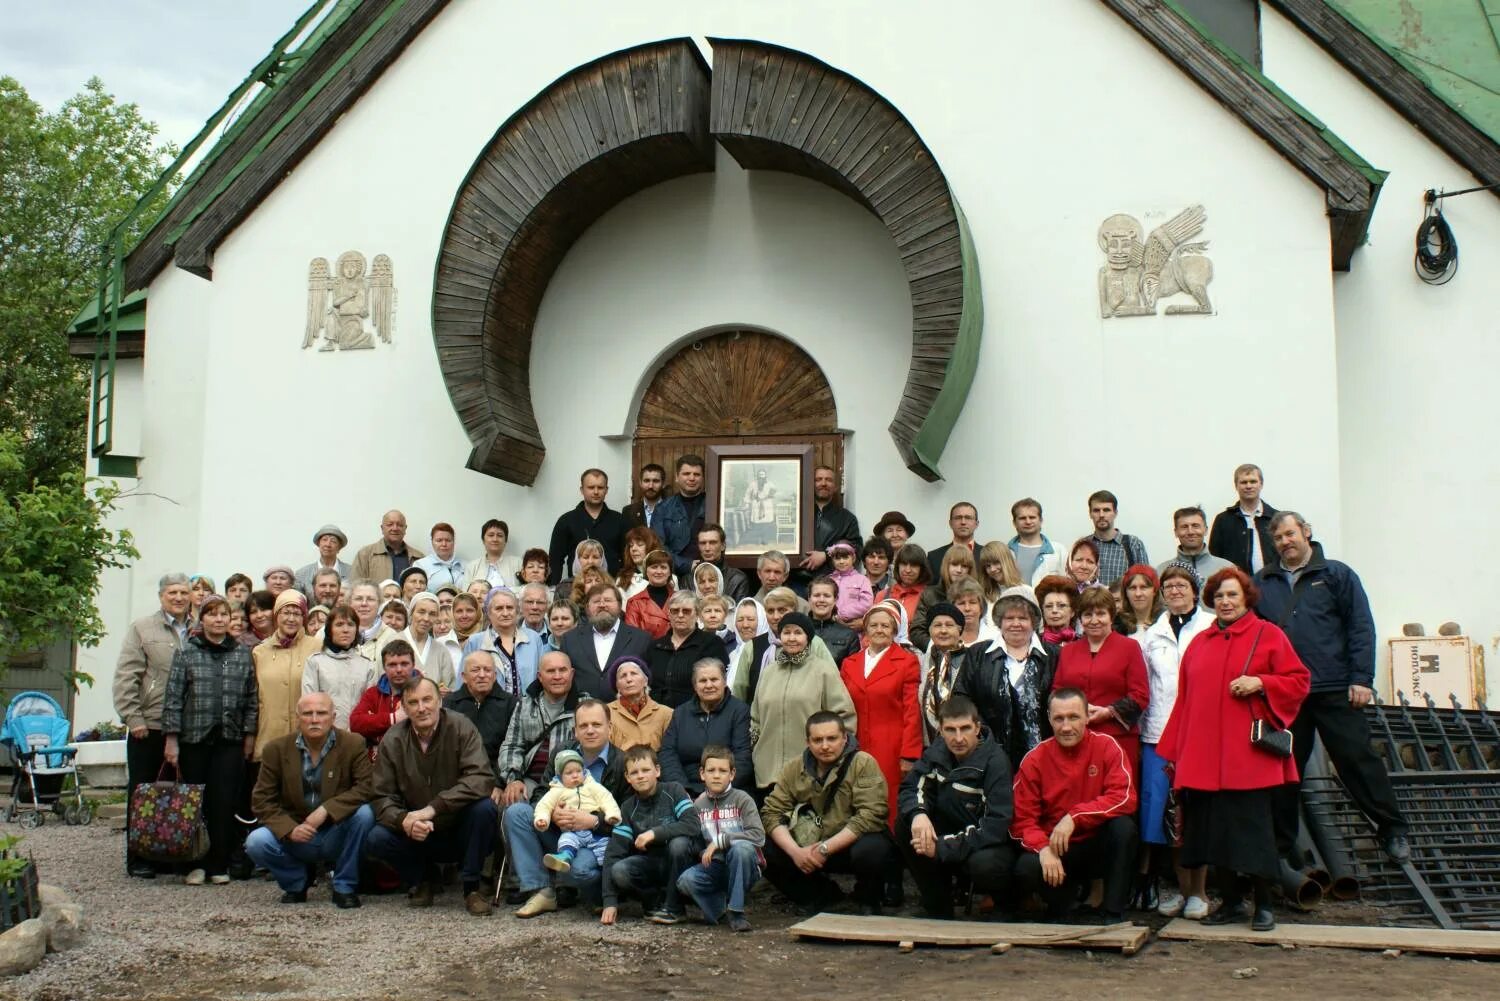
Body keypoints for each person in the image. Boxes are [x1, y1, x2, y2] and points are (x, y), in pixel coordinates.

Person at [1157, 567, 1310, 931]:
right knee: (1215, 835)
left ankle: (1264, 905)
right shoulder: (1199, 643)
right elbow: (1186, 701)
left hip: (1249, 758)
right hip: (1206, 759)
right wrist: (1177, 751)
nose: (1225, 602)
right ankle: (1229, 903)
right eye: (1220, 596)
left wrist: (1261, 682)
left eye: (1232, 595)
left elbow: (1299, 681)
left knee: (1254, 834)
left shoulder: (1268, 635)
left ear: (1246, 598)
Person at [1257, 513, 1409, 862]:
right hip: (1287, 696)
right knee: (1282, 769)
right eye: (1278, 538)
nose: (1285, 542)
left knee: (1358, 760)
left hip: (1335, 687)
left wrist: (1361, 678)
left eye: (1290, 534)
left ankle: (1392, 830)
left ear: (1306, 532)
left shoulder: (1336, 574)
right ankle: (1281, 850)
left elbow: (1360, 626)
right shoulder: (1263, 581)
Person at [365, 678, 498, 915]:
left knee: (485, 809)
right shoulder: (393, 739)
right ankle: (423, 879)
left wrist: (435, 807)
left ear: (440, 700)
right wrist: (403, 819)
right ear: (404, 708)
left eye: (427, 699)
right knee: (377, 836)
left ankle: (471, 888)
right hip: (417, 832)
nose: (421, 707)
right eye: (413, 702)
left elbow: (480, 777)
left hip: (458, 825)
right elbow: (381, 795)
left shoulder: (461, 726)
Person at [1011, 688, 1140, 923]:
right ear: (1049, 718)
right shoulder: (1034, 759)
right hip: (1057, 850)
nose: (1066, 727)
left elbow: (1124, 797)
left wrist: (1074, 816)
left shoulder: (1107, 747)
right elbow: (1022, 820)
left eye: (1074, 717)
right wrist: (1043, 849)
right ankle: (1059, 907)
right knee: (1026, 866)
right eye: (1059, 719)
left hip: (1096, 844)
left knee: (1124, 828)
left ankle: (1112, 913)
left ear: (1086, 717)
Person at [502, 690, 627, 917]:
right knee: (517, 813)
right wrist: (553, 813)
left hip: (596, 840)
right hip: (559, 830)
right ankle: (542, 891)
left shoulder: (622, 763)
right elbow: (541, 792)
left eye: (597, 725)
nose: (590, 730)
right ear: (575, 731)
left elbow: (628, 818)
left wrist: (594, 821)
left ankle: (592, 891)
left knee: (581, 871)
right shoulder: (562, 754)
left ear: (610, 728)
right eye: (584, 725)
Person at [161, 593, 258, 885]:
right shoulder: (187, 652)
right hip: (194, 740)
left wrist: (249, 734)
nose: (218, 619)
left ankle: (218, 864)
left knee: (223, 802)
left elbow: (252, 698)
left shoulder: (241, 654)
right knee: (194, 803)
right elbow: (174, 698)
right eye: (212, 614)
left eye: (224, 614)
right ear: (201, 619)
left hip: (229, 740)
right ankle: (193, 864)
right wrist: (171, 739)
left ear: (231, 620)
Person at [244, 692, 375, 907]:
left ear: (333, 717)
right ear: (298, 717)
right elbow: (262, 800)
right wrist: (289, 829)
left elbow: (366, 787)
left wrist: (327, 810)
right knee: (256, 842)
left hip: (336, 830)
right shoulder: (276, 750)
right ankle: (297, 882)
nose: (314, 719)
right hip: (297, 834)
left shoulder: (353, 744)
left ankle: (344, 886)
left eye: (321, 713)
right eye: (308, 714)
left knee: (365, 814)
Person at [1137, 562, 1214, 919]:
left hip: (1201, 734)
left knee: (1196, 813)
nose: (1176, 591)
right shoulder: (1151, 635)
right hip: (1159, 735)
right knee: (1164, 816)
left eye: (1182, 585)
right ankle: (1180, 890)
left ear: (1195, 590)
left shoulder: (1211, 628)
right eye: (1169, 586)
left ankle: (1200, 891)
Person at [761, 712, 897, 915]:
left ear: (844, 737)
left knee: (873, 849)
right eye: (817, 740)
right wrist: (795, 852)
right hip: (810, 846)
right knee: (760, 846)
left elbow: (870, 815)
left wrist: (825, 848)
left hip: (850, 843)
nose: (825, 746)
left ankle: (868, 898)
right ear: (808, 742)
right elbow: (771, 813)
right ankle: (821, 896)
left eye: (831, 738)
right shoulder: (793, 768)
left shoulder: (863, 763)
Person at [899, 695, 1016, 920]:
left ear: (977, 727)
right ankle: (938, 907)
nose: (958, 738)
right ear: (940, 730)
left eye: (965, 728)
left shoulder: (996, 762)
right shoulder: (936, 752)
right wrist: (918, 815)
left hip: (984, 843)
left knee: (986, 864)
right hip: (948, 832)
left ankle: (1007, 905)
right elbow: (912, 787)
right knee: (906, 825)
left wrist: (942, 847)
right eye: (951, 730)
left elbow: (995, 826)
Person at [113, 572, 191, 878]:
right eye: (172, 592)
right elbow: (126, 676)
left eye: (184, 592)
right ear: (162, 596)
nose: (179, 598)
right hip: (151, 723)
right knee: (144, 792)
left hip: (187, 725)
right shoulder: (143, 628)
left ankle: (170, 851)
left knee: (177, 791)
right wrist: (133, 717)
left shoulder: (197, 628)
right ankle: (140, 856)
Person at [747, 613, 857, 791]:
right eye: (786, 632)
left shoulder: (823, 670)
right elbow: (756, 717)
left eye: (798, 632)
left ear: (808, 637)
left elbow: (844, 716)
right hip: (767, 772)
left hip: (811, 770)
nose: (791, 638)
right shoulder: (768, 672)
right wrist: (756, 749)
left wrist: (832, 756)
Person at [840, 602, 921, 835]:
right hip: (855, 745)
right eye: (873, 625)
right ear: (865, 630)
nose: (879, 629)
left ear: (895, 630)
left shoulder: (906, 662)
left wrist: (909, 754)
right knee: (857, 797)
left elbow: (911, 711)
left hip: (891, 745)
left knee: (889, 801)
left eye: (885, 625)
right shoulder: (849, 663)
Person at [1051, 586, 1149, 776]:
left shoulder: (1129, 647)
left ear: (1111, 617)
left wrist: (1109, 712)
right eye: (1088, 615)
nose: (1094, 620)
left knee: (1117, 793)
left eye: (1101, 614)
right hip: (1076, 736)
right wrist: (1075, 711)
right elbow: (1057, 691)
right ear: (1080, 619)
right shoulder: (1068, 651)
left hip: (1118, 738)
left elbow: (1141, 695)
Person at [954, 586, 1058, 764]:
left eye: (1023, 618)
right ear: (1000, 621)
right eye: (1009, 618)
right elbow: (962, 697)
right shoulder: (978, 654)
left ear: (1033, 621)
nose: (1015, 623)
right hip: (989, 755)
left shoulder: (1053, 655)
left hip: (1044, 756)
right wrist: (981, 735)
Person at [600, 745, 700, 924]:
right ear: (627, 778)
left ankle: (675, 907)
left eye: (646, 770)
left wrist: (655, 833)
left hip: (681, 861)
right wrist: (609, 901)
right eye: (635, 772)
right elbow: (614, 852)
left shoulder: (674, 791)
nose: (641, 775)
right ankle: (653, 903)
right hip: (651, 865)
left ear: (657, 771)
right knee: (620, 871)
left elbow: (692, 824)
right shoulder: (628, 807)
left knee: (679, 844)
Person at [677, 744, 765, 931]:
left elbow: (758, 836)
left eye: (723, 771)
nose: (716, 775)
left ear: (732, 774)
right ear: (702, 774)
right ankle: (720, 911)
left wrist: (720, 841)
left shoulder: (742, 799)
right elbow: (698, 843)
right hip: (716, 866)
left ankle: (737, 912)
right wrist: (701, 850)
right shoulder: (698, 805)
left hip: (744, 864)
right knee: (686, 880)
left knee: (741, 849)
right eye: (711, 770)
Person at [659, 659, 753, 796]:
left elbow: (744, 756)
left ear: (725, 682)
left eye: (714, 679)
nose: (709, 685)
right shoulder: (681, 713)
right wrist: (683, 791)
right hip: (686, 791)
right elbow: (667, 754)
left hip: (729, 791)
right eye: (703, 681)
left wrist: (715, 791)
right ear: (694, 686)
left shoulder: (739, 711)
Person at [253, 591, 323, 771]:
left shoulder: (316, 647)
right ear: (276, 616)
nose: (291, 618)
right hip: (269, 736)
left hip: (307, 739)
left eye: (297, 613)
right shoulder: (260, 652)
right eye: (286, 612)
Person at [534, 749, 623, 878]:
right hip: (572, 832)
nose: (575, 775)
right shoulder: (557, 791)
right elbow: (544, 805)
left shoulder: (592, 786)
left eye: (578, 771)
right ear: (560, 776)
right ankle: (564, 857)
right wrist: (543, 818)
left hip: (595, 832)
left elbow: (607, 799)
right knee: (566, 841)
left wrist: (612, 815)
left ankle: (608, 873)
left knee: (605, 850)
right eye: (569, 773)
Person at [557, 583, 653, 700]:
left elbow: (650, 680)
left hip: (627, 713)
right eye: (596, 601)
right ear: (587, 608)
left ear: (619, 605)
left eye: (608, 600)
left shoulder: (641, 639)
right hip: (582, 712)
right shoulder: (570, 639)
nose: (602, 605)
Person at [445, 650, 517, 792]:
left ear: (495, 676)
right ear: (464, 677)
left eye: (488, 670)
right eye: (475, 670)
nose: (482, 675)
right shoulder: (449, 705)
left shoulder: (510, 704)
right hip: (457, 781)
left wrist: (497, 784)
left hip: (496, 781)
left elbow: (510, 749)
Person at [646, 591, 729, 709]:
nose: (680, 615)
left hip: (695, 716)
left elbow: (717, 686)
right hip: (656, 716)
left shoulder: (712, 644)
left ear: (697, 615)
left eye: (686, 611)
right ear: (668, 614)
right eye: (675, 611)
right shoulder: (656, 646)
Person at [301, 603, 377, 730]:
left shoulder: (367, 666)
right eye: (339, 624)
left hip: (357, 738)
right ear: (329, 630)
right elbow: (309, 704)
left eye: (351, 625)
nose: (346, 630)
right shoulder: (315, 662)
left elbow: (371, 708)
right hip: (324, 735)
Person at [548, 468, 628, 583]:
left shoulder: (620, 521)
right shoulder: (566, 521)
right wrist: (553, 587)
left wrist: (624, 586)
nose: (596, 492)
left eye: (600, 487)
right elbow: (555, 559)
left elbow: (627, 558)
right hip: (576, 588)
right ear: (582, 490)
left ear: (606, 490)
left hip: (612, 587)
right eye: (591, 487)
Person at [791, 466, 862, 589]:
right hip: (796, 582)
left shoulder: (847, 518)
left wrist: (826, 555)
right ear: (810, 484)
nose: (823, 483)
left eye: (828, 480)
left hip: (832, 583)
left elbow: (856, 549)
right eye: (818, 479)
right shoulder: (796, 513)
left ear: (835, 487)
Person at [462, 587, 542, 697]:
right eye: (499, 608)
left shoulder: (533, 638)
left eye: (510, 608)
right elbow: (463, 682)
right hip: (489, 710)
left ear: (517, 611)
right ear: (489, 613)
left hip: (527, 710)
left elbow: (542, 677)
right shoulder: (475, 642)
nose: (505, 613)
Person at [349, 640, 420, 751]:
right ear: (384, 667)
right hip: (379, 760)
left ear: (413, 665)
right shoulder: (373, 694)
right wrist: (393, 718)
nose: (399, 670)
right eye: (392, 665)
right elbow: (355, 723)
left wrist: (374, 722)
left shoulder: (426, 691)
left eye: (404, 664)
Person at [1208, 463, 1279, 574]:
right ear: (1236, 486)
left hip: (1272, 584)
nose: (1248, 486)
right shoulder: (1223, 520)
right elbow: (1214, 558)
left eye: (1253, 481)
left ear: (1261, 484)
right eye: (1243, 482)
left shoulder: (1276, 519)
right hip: (1237, 587)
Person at [917, 602, 967, 745]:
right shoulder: (923, 661)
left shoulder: (972, 658)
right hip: (928, 743)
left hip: (962, 741)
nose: (943, 630)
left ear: (959, 629)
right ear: (930, 630)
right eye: (937, 625)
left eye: (949, 625)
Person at [912, 545, 977, 651]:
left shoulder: (977, 594)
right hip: (935, 653)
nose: (959, 570)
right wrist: (938, 647)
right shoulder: (930, 594)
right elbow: (917, 631)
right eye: (955, 565)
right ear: (946, 566)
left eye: (964, 566)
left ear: (970, 570)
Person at [1084, 490, 1150, 587]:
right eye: (1096, 510)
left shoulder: (1133, 544)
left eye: (1106, 510)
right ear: (1090, 514)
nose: (1101, 515)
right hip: (1090, 602)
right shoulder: (1083, 545)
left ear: (1115, 513)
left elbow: (1146, 582)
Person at [606, 655, 670, 750]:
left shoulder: (666, 714)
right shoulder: (606, 713)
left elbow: (670, 752)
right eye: (623, 676)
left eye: (634, 673)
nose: (629, 679)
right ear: (617, 686)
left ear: (645, 681)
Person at [657, 455, 708, 575]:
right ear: (676, 477)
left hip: (709, 573)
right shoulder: (663, 509)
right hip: (675, 575)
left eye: (696, 474)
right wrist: (687, 565)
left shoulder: (714, 504)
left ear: (703, 478)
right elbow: (658, 546)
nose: (692, 478)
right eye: (686, 474)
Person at [1158, 506, 1233, 584]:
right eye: (1184, 527)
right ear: (1176, 532)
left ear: (1206, 530)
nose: (1190, 532)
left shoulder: (1227, 568)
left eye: (1195, 526)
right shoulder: (1162, 571)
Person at [400, 592, 457, 691]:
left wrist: (446, 693)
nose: (426, 618)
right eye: (421, 612)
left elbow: (451, 686)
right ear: (411, 613)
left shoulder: (441, 650)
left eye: (432, 614)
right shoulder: (393, 641)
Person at [350, 510, 425, 584]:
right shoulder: (365, 555)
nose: (395, 528)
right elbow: (355, 586)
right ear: (382, 528)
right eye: (390, 524)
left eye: (399, 525)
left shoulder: (419, 558)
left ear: (405, 529)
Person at [691, 523, 751, 602]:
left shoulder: (737, 579)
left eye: (712, 542)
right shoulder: (688, 579)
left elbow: (740, 613)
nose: (707, 548)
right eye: (703, 543)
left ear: (723, 546)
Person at [807, 577, 859, 666]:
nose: (821, 600)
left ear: (835, 599)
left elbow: (852, 671)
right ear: (809, 598)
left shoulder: (849, 635)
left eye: (827, 596)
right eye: (816, 595)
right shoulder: (797, 631)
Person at [624, 549, 676, 638]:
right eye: (654, 567)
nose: (659, 571)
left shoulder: (680, 599)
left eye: (663, 567)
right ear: (646, 571)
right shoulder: (635, 602)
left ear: (670, 572)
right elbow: (632, 638)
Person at [877, 543, 929, 628]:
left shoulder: (930, 597)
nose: (908, 570)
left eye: (913, 565)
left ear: (922, 569)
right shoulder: (882, 596)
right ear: (897, 566)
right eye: (904, 564)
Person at [464, 518, 523, 590]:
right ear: (483, 540)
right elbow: (466, 596)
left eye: (500, 535)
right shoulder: (472, 566)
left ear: (505, 541)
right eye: (491, 535)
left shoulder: (518, 563)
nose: (495, 539)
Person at [1008, 498, 1055, 585]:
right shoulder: (1006, 552)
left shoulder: (1058, 551)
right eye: (1022, 518)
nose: (1028, 522)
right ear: (1014, 523)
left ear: (1041, 520)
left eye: (1032, 517)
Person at [926, 502, 978, 580]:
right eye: (958, 518)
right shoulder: (933, 557)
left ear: (976, 524)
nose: (963, 522)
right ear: (950, 523)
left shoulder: (988, 556)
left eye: (968, 518)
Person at [825, 541, 872, 623]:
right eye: (837, 558)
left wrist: (841, 614)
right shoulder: (828, 580)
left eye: (845, 557)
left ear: (853, 558)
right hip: (829, 623)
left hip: (852, 626)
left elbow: (866, 604)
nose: (841, 561)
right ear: (832, 560)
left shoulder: (862, 580)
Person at [413, 522, 465, 591]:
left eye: (448, 540)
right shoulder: (421, 565)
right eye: (439, 540)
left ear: (454, 542)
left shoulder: (466, 565)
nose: (444, 544)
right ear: (432, 542)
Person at [617, 525, 662, 602]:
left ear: (651, 547)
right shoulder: (623, 579)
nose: (633, 549)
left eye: (640, 544)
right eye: (631, 546)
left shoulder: (669, 577)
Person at [1116, 564, 1162, 638]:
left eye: (1143, 587)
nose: (1138, 594)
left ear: (1154, 591)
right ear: (1126, 593)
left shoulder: (1166, 623)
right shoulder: (1116, 626)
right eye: (1133, 588)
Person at [950, 578, 997, 649]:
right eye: (961, 603)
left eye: (972, 602)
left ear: (981, 607)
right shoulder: (942, 637)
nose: (967, 608)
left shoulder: (995, 637)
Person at [1035, 575, 1081, 647]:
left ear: (1072, 612)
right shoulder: (1034, 643)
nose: (1054, 610)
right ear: (1042, 611)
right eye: (1049, 606)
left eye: (1061, 606)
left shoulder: (1084, 643)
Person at [622, 462, 667, 532]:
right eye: (646, 481)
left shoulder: (673, 510)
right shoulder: (628, 511)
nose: (650, 486)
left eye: (655, 481)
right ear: (640, 483)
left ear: (663, 484)